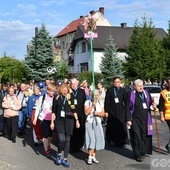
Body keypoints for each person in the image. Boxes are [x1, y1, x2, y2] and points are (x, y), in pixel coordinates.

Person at [50, 83, 80, 167]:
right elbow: (53, 111)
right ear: (60, 90)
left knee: (67, 140)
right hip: (60, 121)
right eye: (63, 90)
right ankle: (59, 154)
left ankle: (65, 159)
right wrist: (52, 122)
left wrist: (77, 120)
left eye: (66, 90)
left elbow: (74, 110)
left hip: (69, 121)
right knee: (61, 139)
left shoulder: (71, 97)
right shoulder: (56, 98)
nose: (65, 92)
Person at [126, 79, 155, 162]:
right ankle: (137, 154)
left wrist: (153, 106)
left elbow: (150, 105)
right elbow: (127, 107)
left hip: (146, 119)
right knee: (136, 136)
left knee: (144, 136)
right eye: (139, 86)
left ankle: (143, 152)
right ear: (134, 87)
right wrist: (128, 119)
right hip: (135, 119)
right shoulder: (131, 94)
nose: (141, 87)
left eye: (142, 86)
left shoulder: (146, 93)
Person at [33, 85, 56, 157]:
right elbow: (38, 108)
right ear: (48, 91)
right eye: (51, 91)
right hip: (44, 119)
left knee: (51, 135)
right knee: (45, 135)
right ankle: (46, 150)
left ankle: (48, 144)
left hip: (52, 119)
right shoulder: (42, 98)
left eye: (54, 91)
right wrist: (35, 118)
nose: (53, 93)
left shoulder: (55, 98)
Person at [105, 76, 128, 147]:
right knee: (112, 126)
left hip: (121, 111)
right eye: (115, 82)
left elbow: (126, 102)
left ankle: (121, 141)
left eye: (118, 82)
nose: (116, 83)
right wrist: (106, 111)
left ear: (120, 82)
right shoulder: (110, 90)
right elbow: (107, 101)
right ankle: (112, 139)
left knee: (121, 126)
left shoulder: (123, 90)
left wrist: (126, 112)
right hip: (112, 111)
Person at [84, 90, 105, 165]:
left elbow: (103, 114)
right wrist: (92, 105)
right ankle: (89, 156)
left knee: (97, 138)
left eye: (96, 95)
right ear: (91, 95)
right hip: (89, 122)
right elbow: (86, 112)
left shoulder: (100, 103)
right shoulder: (87, 102)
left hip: (97, 122)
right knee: (91, 139)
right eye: (94, 95)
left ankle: (94, 156)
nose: (95, 97)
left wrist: (98, 113)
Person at [70, 78, 86, 152]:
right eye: (72, 84)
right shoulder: (68, 92)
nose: (73, 85)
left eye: (74, 84)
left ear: (77, 84)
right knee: (72, 130)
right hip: (71, 114)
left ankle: (80, 145)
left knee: (81, 130)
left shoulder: (81, 91)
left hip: (81, 114)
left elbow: (85, 102)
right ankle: (73, 146)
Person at [159, 76, 170, 153]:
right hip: (168, 116)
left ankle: (168, 145)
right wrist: (162, 116)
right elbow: (161, 106)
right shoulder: (163, 93)